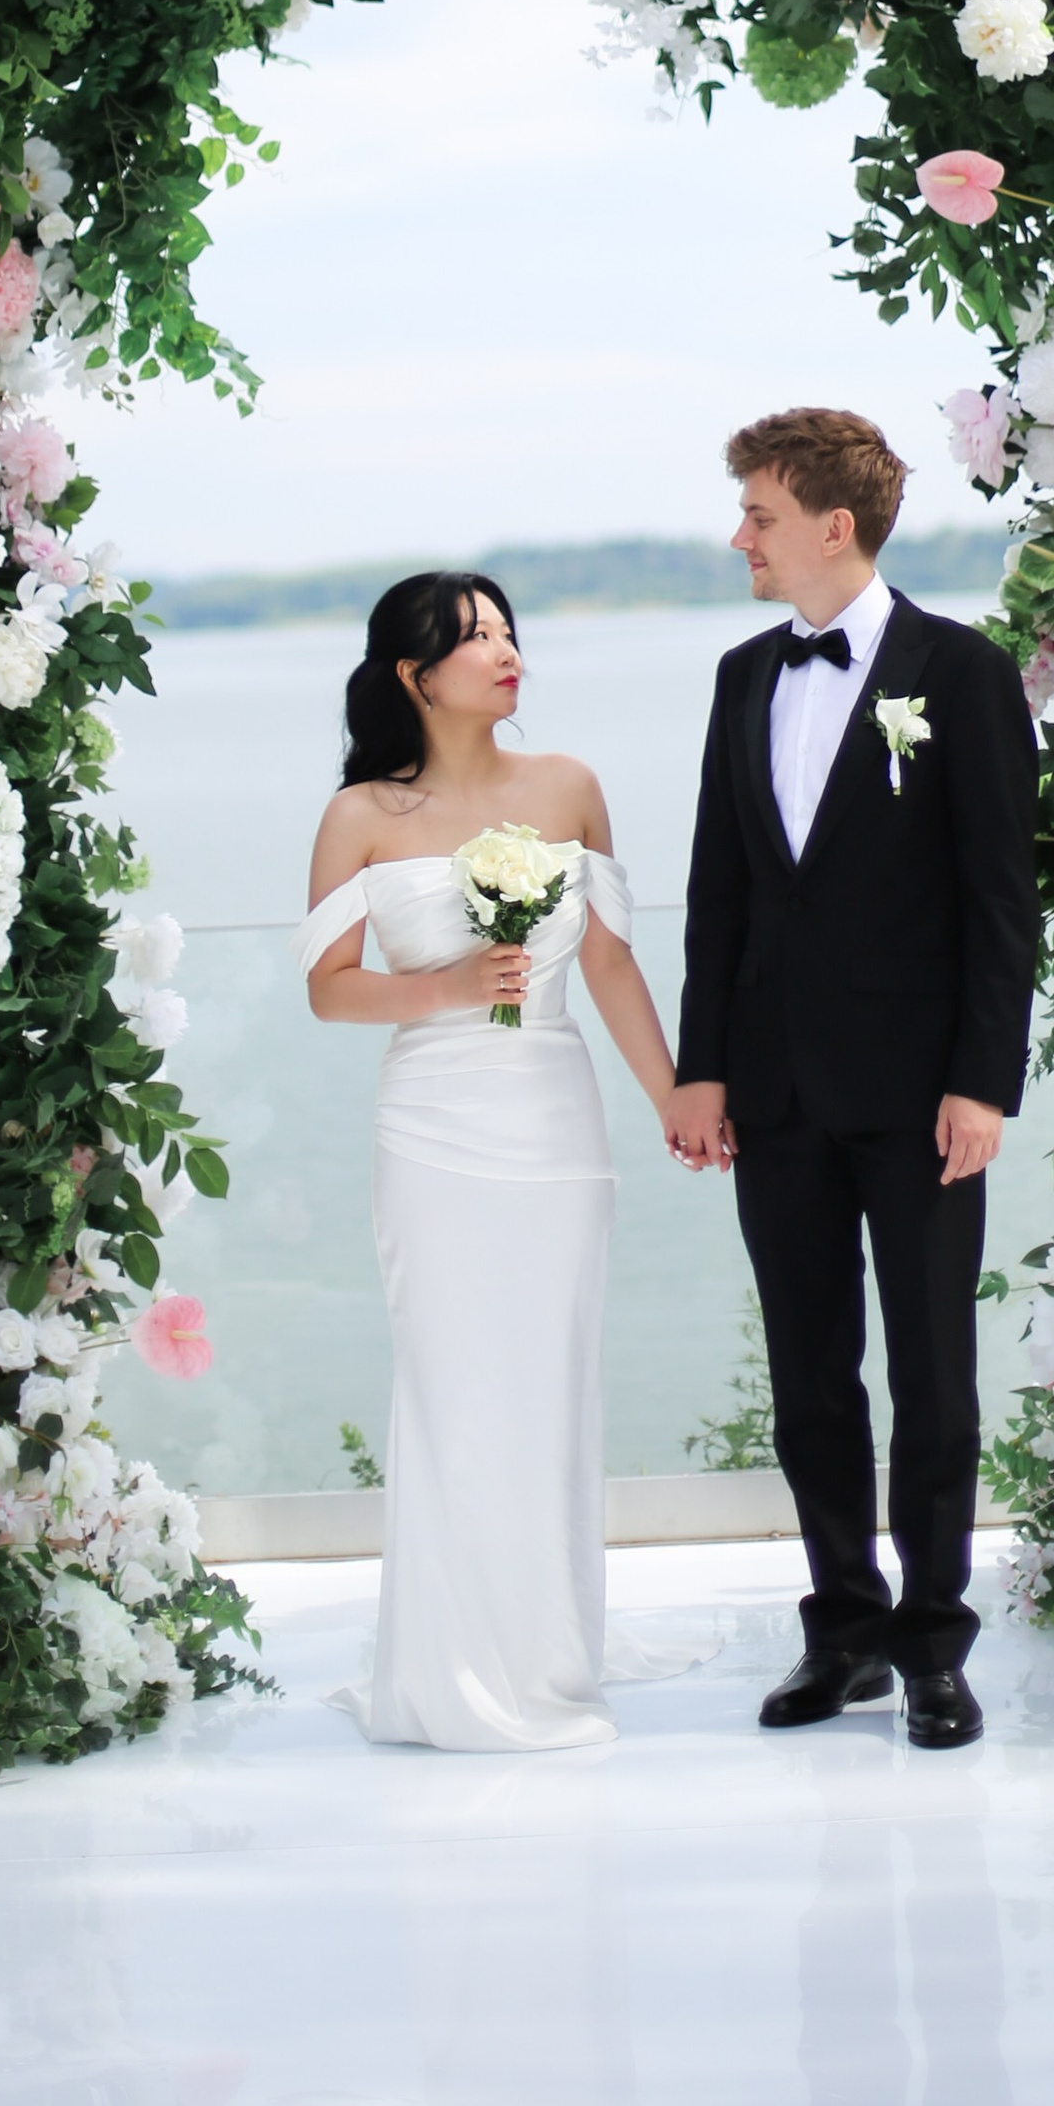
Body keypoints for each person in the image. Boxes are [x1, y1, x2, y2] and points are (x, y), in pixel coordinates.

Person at [665, 409, 1042, 1750]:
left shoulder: (966, 673)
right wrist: (700, 1071)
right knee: (811, 1377)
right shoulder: (739, 677)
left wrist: (984, 1085)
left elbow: (1005, 905)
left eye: (757, 515)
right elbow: (720, 893)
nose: (740, 538)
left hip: (925, 1096)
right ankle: (844, 1631)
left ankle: (937, 1643)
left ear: (835, 524)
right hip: (774, 1096)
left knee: (935, 1376)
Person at [301, 568, 680, 1751]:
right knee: (451, 1383)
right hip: (431, 1127)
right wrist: (449, 987)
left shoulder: (570, 788)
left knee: (550, 1380)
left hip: (554, 1118)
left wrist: (677, 1100)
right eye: (475, 638)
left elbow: (611, 964)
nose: (506, 651)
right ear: (414, 676)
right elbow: (327, 991)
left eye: (510, 630)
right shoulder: (363, 813)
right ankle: (448, 1666)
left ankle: (549, 1647)